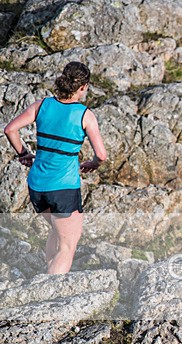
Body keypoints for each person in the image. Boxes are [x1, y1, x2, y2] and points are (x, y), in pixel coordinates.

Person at [3, 61, 107, 274]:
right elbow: (102, 155)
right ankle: (49, 294)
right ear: (83, 87)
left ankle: (49, 270)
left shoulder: (42, 105)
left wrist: (23, 154)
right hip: (63, 188)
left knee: (57, 232)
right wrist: (93, 164)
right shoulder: (84, 115)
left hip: (37, 185)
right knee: (68, 246)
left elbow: (10, 129)